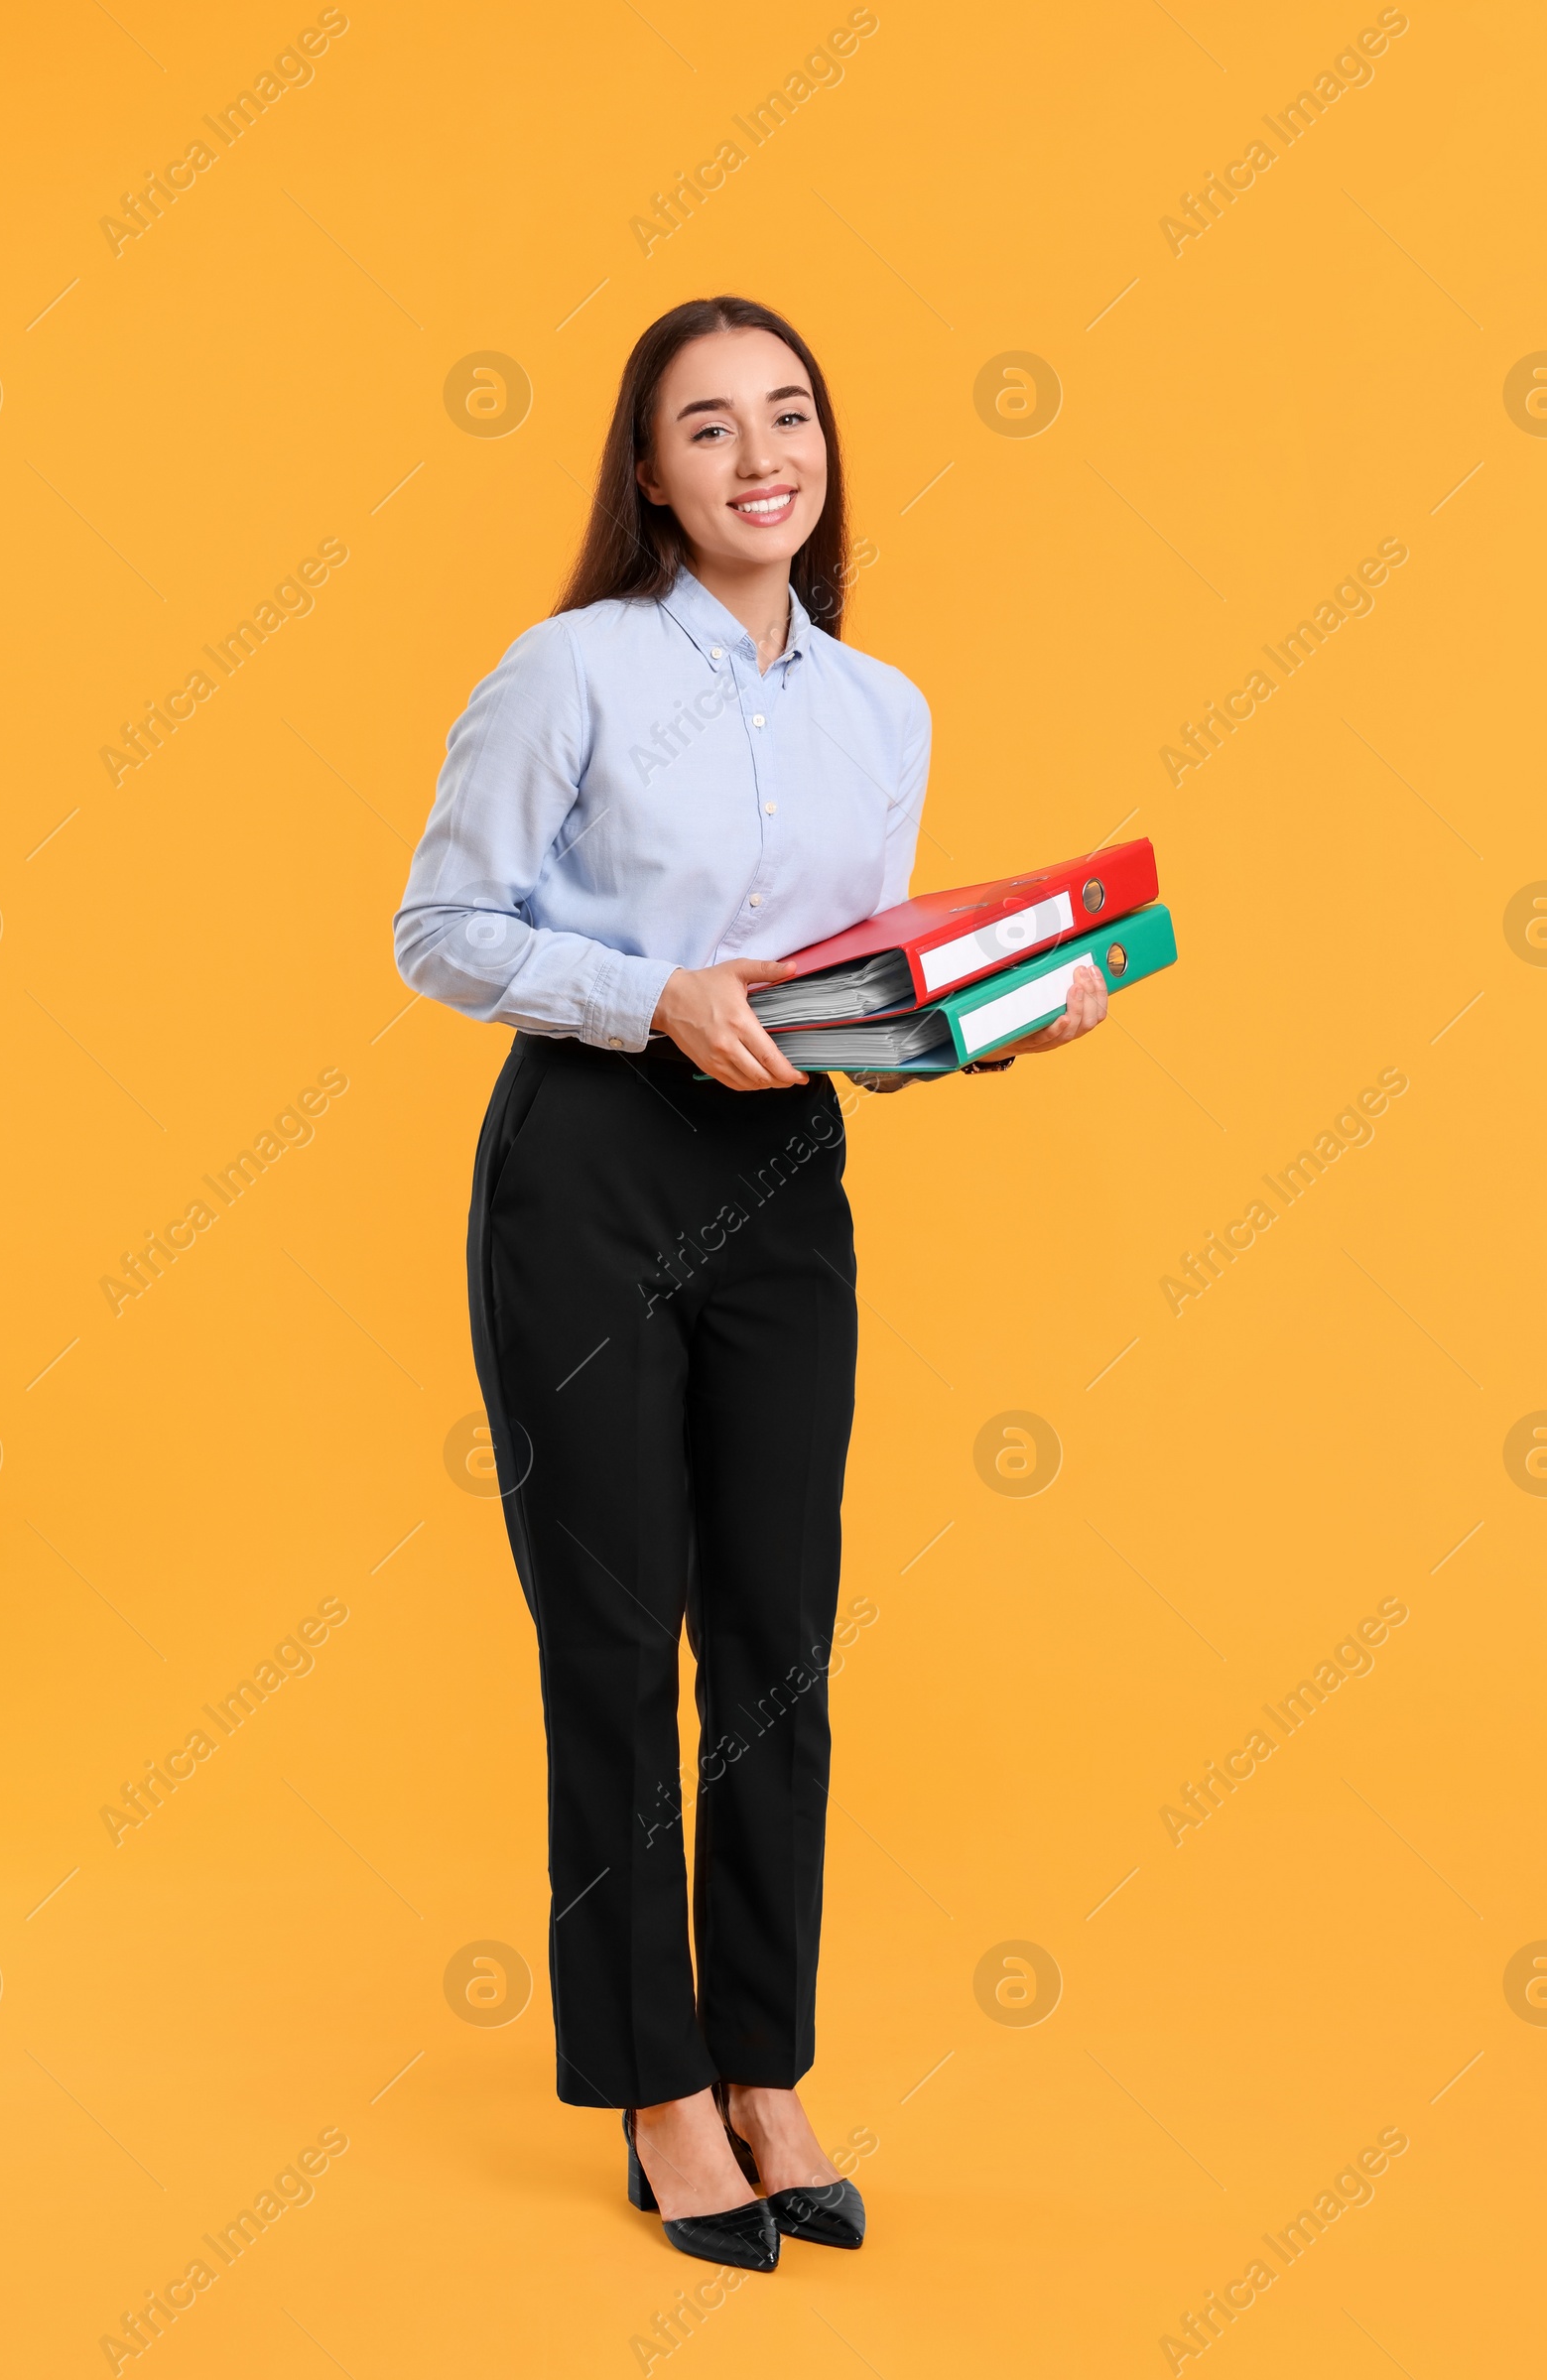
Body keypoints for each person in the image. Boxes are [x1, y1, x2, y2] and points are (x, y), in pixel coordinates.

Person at [394, 295, 1107, 2270]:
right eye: (704, 429)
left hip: (787, 1174)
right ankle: (654, 2089)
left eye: (782, 416)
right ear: (646, 472)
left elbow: (840, 986)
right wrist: (647, 996)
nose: (754, 456)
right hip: (589, 1168)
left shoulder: (881, 712)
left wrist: (972, 1022)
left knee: (777, 1638)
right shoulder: (571, 676)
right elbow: (437, 930)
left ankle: (763, 2064)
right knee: (616, 1643)